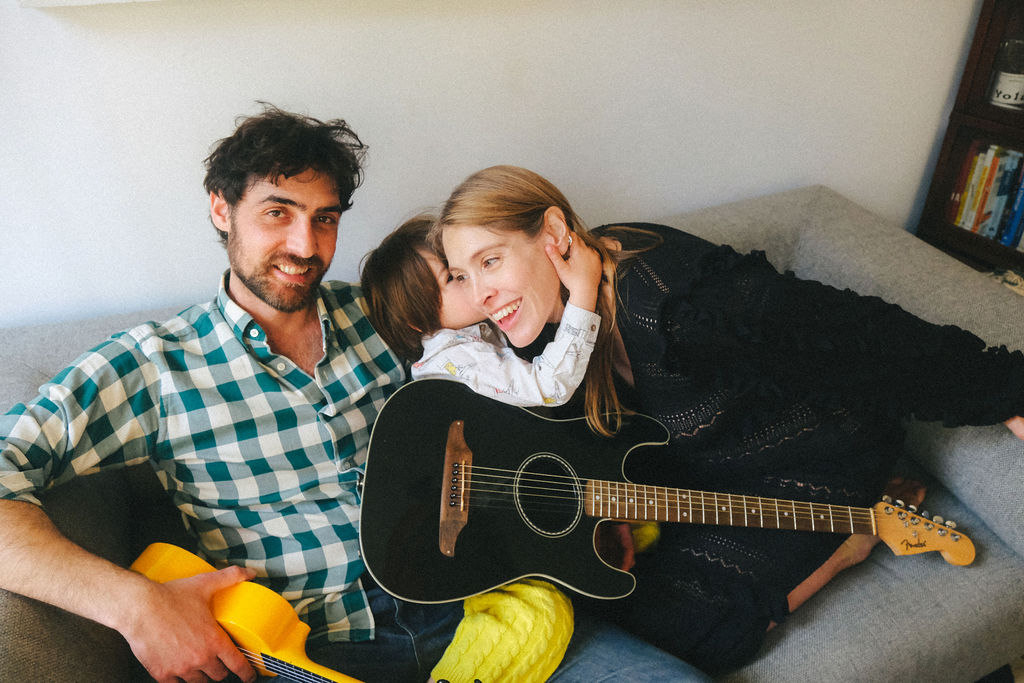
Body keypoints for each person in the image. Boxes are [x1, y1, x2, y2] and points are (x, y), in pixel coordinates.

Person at [0, 111, 711, 683]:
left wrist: (572, 510)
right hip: (318, 651)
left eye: (326, 217)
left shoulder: (391, 314)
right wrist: (134, 606)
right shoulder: (155, 366)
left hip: (477, 609)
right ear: (221, 209)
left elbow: (512, 406)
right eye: (278, 213)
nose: (306, 244)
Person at [431, 164, 1024, 673]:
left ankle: (852, 539)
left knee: (694, 631)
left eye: (491, 260)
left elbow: (858, 336)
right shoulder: (544, 322)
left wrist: (1006, 394)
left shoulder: (674, 299)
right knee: (610, 599)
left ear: (554, 233)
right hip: (709, 478)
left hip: (815, 451)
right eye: (462, 274)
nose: (480, 292)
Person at [361, 213, 604, 407]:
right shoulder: (452, 359)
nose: (478, 285)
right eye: (454, 277)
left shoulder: (474, 331)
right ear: (416, 320)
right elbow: (550, 387)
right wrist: (583, 292)